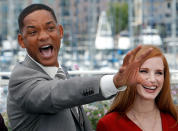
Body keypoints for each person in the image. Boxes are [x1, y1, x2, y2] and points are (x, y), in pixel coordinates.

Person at [7, 3, 152, 131]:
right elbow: (57, 93)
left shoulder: (61, 71)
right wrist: (114, 81)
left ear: (60, 32)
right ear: (21, 41)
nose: (43, 36)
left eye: (50, 28)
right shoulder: (20, 78)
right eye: (33, 32)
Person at [96, 45, 178, 131]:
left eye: (159, 73)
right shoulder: (108, 125)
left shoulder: (175, 120)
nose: (152, 79)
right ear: (129, 74)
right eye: (144, 71)